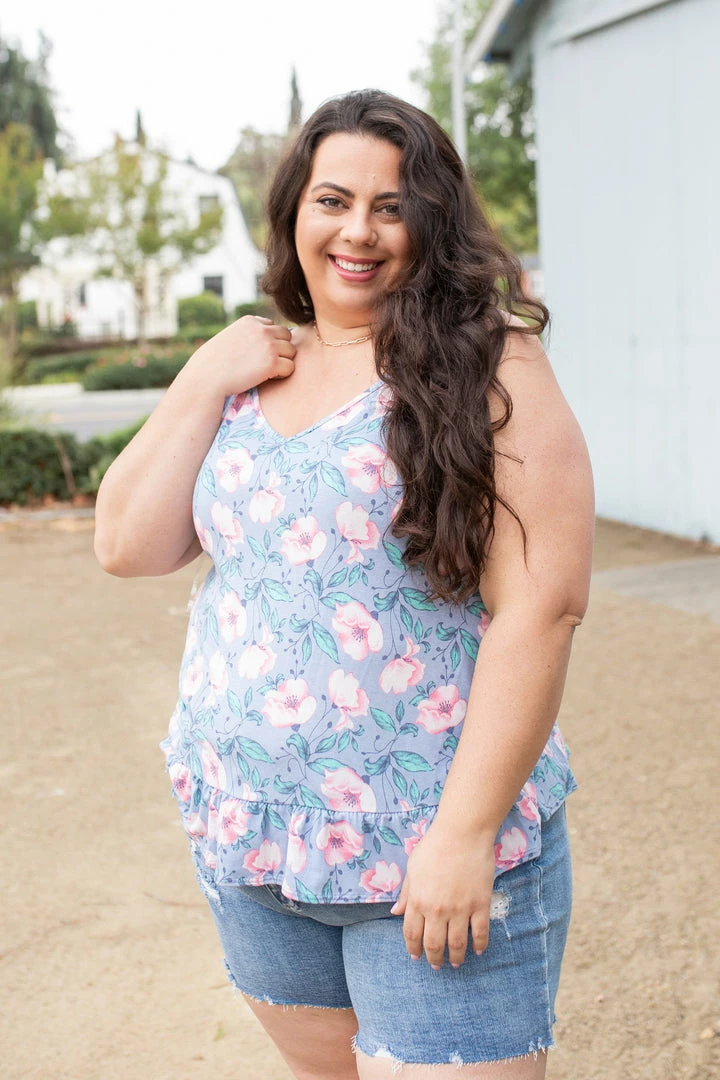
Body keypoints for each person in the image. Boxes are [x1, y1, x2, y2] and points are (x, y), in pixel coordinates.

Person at [94, 89, 594, 1080]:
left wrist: (465, 836)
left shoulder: (491, 365)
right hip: (256, 840)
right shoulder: (250, 370)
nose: (358, 231)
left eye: (391, 207)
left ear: (432, 223)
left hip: (428, 852)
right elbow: (127, 544)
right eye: (333, 200)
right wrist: (203, 376)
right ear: (294, 211)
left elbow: (544, 608)